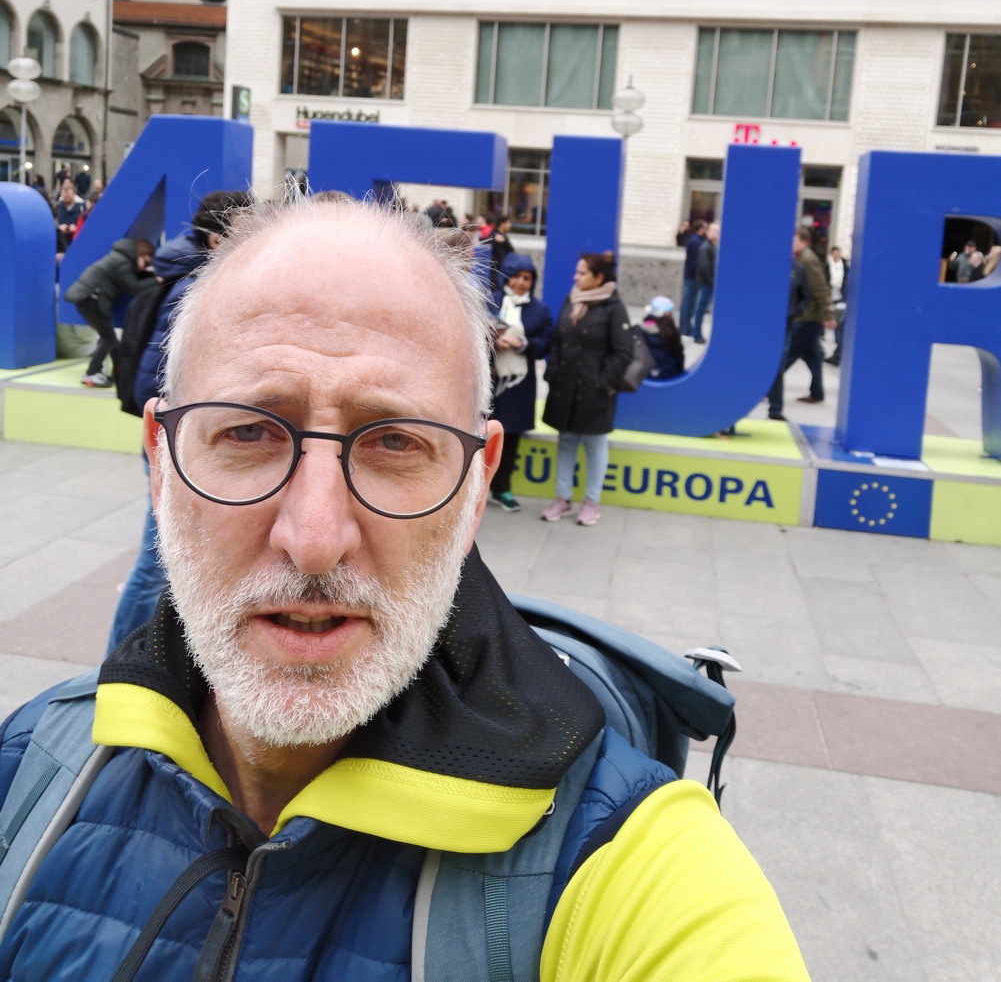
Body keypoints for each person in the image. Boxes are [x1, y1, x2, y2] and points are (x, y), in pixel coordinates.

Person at [0, 200, 809, 980]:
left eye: (393, 441)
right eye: (248, 431)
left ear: (474, 484)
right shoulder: (30, 768)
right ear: (161, 462)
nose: (313, 538)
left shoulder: (630, 867)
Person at [106, 189, 252, 653]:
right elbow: (159, 376)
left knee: (170, 558)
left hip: (176, 435)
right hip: (175, 438)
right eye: (245, 231)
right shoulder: (194, 287)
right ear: (217, 239)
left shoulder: (184, 274)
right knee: (156, 562)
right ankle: (114, 664)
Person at [541, 251, 634, 527]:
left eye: (582, 273)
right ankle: (563, 498)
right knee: (566, 442)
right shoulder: (572, 299)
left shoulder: (614, 307)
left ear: (599, 277)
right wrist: (553, 372)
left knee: (595, 444)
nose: (576, 277)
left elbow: (623, 351)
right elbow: (558, 340)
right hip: (565, 387)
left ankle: (592, 502)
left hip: (595, 391)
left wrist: (603, 383)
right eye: (577, 272)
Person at [487, 252, 553, 511]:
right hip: (490, 384)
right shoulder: (490, 302)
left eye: (527, 278)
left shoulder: (540, 310)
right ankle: (475, 490)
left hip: (519, 385)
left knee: (511, 439)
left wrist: (522, 343)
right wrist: (492, 342)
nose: (521, 282)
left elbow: (546, 343)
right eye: (516, 276)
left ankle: (502, 489)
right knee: (483, 435)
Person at [63, 237, 156, 388]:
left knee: (109, 338)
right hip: (92, 299)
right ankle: (92, 373)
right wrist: (157, 280)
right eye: (146, 263)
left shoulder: (121, 257)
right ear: (141, 254)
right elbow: (133, 286)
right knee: (108, 338)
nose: (144, 267)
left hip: (88, 298)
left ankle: (113, 373)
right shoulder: (123, 261)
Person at [788, 227, 835, 404]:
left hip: (808, 317)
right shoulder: (801, 257)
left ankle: (768, 388)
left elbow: (821, 288)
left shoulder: (808, 260)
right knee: (812, 355)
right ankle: (817, 392)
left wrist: (828, 314)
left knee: (789, 353)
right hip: (809, 317)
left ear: (804, 241)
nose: (791, 242)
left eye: (794, 239)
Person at [766, 258, 812, 422]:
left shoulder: (798, 269)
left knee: (778, 366)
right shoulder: (767, 264)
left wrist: (793, 312)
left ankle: (775, 409)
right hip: (762, 325)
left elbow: (807, 296)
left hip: (785, 326)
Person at [642, 295, 685, 380]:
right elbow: (679, 357)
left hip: (646, 374)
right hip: (669, 375)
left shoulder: (642, 331)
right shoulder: (673, 333)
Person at [691, 221, 720, 344]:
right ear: (708, 232)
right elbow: (704, 267)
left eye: (718, 231)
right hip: (706, 283)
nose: (717, 233)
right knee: (700, 309)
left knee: (702, 309)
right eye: (714, 231)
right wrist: (712, 281)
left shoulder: (713, 246)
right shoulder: (705, 247)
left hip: (709, 282)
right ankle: (697, 334)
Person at [678, 218, 706, 336]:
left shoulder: (695, 240)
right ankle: (685, 328)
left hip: (690, 276)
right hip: (692, 277)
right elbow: (695, 261)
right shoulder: (696, 242)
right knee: (688, 303)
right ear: (700, 229)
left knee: (687, 302)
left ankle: (685, 326)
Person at [824, 245, 850, 367]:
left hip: (841, 297)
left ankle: (838, 354)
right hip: (831, 295)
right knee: (840, 324)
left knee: (840, 323)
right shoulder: (827, 265)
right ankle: (837, 354)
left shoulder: (845, 265)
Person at [54, 179, 85, 254]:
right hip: (61, 243)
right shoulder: (57, 206)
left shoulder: (81, 207)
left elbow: (86, 223)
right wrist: (59, 228)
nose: (66, 195)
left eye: (69, 193)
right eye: (64, 193)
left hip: (76, 241)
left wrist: (77, 228)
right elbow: (53, 222)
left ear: (74, 193)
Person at [489, 213, 516, 291]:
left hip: (503, 272)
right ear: (502, 224)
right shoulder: (494, 235)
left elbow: (511, 250)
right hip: (496, 274)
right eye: (508, 223)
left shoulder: (503, 236)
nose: (510, 225)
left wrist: (504, 241)